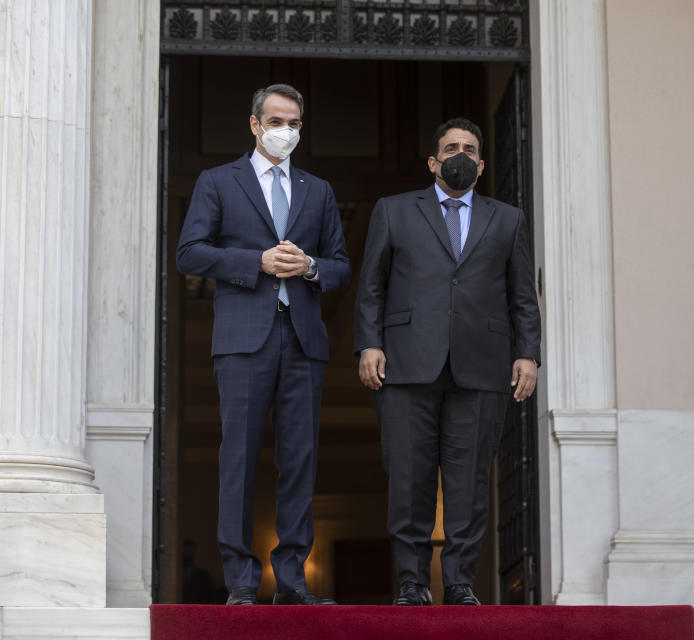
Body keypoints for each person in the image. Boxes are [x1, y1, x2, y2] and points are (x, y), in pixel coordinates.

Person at [354, 117, 541, 606]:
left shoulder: (508, 219)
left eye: (470, 148)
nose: (461, 154)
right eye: (451, 147)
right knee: (409, 478)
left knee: (469, 480)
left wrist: (528, 353)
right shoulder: (393, 211)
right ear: (433, 162)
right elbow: (371, 284)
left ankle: (459, 583)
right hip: (406, 363)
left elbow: (523, 295)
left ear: (480, 164)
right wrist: (368, 343)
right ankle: (412, 583)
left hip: (482, 366)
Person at [177, 83, 350, 605]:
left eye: (295, 124)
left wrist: (312, 266)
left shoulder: (317, 190)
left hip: (303, 340)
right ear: (255, 125)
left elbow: (341, 265)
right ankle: (240, 582)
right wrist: (255, 261)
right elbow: (190, 253)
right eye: (277, 122)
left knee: (300, 460)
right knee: (239, 458)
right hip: (242, 340)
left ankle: (292, 580)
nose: (286, 132)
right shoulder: (217, 182)